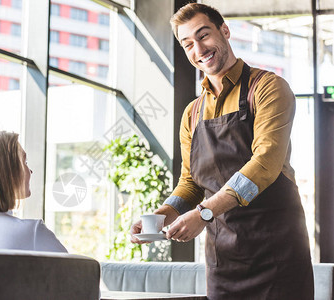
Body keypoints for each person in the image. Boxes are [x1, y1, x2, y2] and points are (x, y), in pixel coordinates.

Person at [130, 3, 314, 300]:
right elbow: (190, 182)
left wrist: (203, 213)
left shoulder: (267, 87)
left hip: (278, 254)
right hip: (223, 261)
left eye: (203, 35)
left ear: (225, 31)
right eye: (187, 43)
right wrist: (162, 215)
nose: (198, 48)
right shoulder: (193, 112)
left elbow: (265, 164)